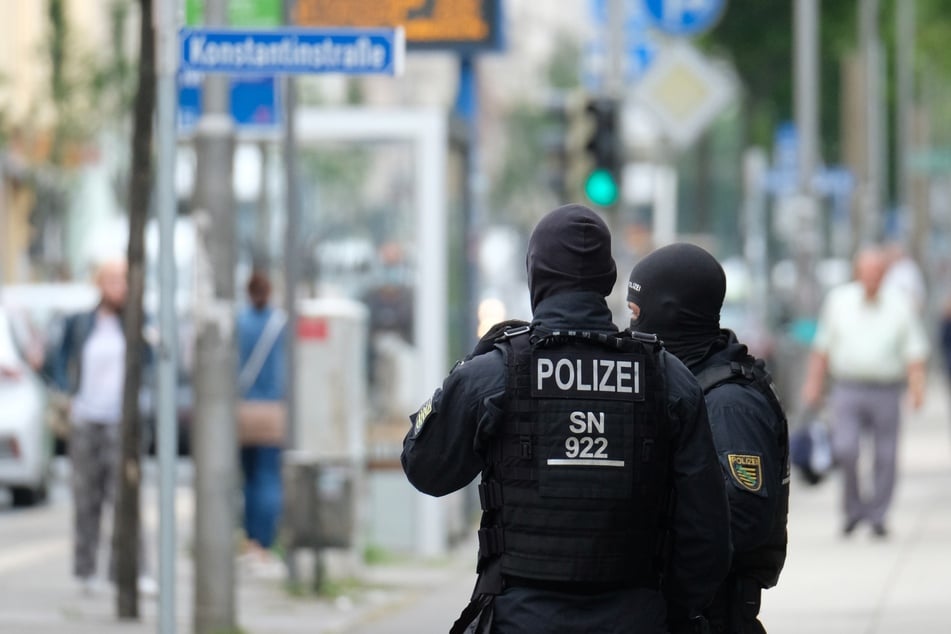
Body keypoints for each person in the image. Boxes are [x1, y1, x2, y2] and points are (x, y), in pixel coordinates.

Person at [402, 204, 731, 634]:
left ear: (534, 275)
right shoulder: (668, 378)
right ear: (609, 279)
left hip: (520, 621)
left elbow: (426, 468)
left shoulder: (496, 372)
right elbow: (707, 540)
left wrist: (466, 373)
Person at [626, 243, 789, 634]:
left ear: (669, 312)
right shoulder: (689, 383)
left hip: (714, 614)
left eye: (635, 315)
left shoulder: (728, 403)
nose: (631, 329)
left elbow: (743, 520)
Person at [801, 246, 929, 537]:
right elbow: (822, 347)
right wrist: (813, 383)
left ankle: (878, 515)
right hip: (847, 387)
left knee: (886, 455)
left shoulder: (899, 304)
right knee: (845, 449)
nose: (872, 278)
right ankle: (853, 510)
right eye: (867, 272)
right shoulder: (839, 301)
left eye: (878, 273)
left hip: (886, 388)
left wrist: (917, 387)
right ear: (857, 273)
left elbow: (915, 351)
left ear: (885, 275)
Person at [49, 257, 155, 596]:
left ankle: (129, 570)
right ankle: (85, 571)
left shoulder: (137, 322)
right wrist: (68, 393)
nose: (118, 287)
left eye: (123, 280)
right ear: (99, 284)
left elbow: (152, 365)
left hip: (123, 420)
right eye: (112, 280)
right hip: (86, 418)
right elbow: (57, 359)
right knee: (86, 497)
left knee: (125, 496)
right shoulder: (81, 323)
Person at [236, 271, 286, 561]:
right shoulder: (279, 324)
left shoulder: (239, 322)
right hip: (272, 411)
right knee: (268, 478)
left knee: (249, 478)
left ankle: (250, 538)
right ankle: (264, 544)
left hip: (244, 410)